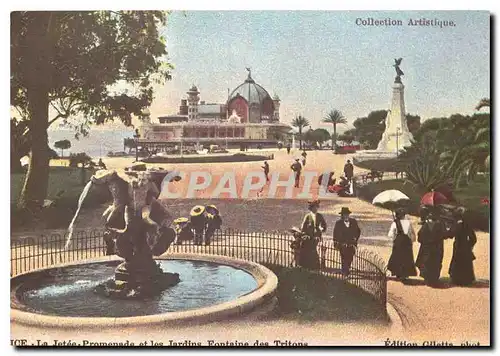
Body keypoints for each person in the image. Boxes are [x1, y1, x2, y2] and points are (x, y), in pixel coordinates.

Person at [415, 208, 453, 285]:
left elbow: (420, 236)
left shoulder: (425, 225)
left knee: (426, 261)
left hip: (426, 247)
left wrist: (424, 241)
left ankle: (427, 278)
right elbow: (445, 235)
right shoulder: (440, 225)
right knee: (436, 262)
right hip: (437, 247)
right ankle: (434, 278)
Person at [448, 207, 477, 286]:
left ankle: (457, 279)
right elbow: (473, 238)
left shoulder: (457, 224)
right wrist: (470, 245)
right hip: (465, 245)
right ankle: (466, 279)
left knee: (457, 261)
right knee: (466, 263)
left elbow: (451, 234)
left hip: (458, 244)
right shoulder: (467, 224)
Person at [387, 208, 417, 281]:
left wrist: (394, 239)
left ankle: (398, 273)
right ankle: (405, 273)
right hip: (406, 242)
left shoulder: (395, 223)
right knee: (406, 258)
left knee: (398, 257)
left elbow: (391, 234)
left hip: (398, 241)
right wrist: (412, 240)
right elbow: (411, 233)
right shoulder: (407, 223)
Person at [299, 200, 327, 269]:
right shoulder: (308, 216)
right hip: (309, 236)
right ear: (311, 208)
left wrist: (322, 229)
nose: (315, 209)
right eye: (314, 208)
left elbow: (324, 225)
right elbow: (303, 227)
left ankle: (315, 264)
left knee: (313, 248)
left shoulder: (320, 216)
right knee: (308, 249)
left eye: (316, 207)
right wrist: (304, 234)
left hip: (316, 236)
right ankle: (308, 264)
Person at [333, 207, 361, 276]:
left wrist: (355, 239)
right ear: (342, 215)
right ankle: (345, 272)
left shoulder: (353, 221)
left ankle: (346, 269)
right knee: (344, 258)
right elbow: (335, 234)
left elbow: (358, 231)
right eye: (344, 215)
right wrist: (336, 244)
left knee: (350, 257)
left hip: (351, 244)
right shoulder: (338, 223)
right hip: (343, 244)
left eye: (347, 214)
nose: (346, 216)